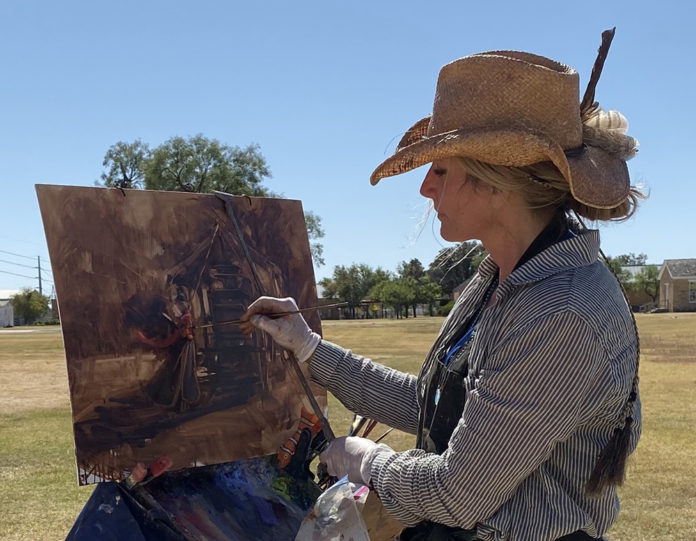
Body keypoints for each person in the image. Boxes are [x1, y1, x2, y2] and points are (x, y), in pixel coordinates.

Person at [240, 30, 642, 541]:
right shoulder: (501, 276)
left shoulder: (560, 312)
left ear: (497, 180)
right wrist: (309, 348)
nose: (426, 186)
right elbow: (431, 404)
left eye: (442, 169)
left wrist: (370, 462)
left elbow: (457, 492)